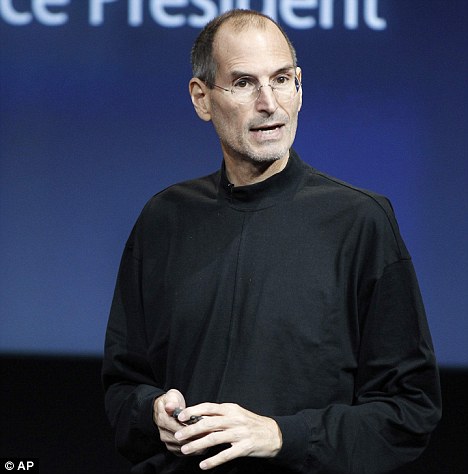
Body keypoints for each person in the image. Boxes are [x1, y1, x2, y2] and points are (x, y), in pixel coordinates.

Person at [102, 9, 441, 474]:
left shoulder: (360, 221)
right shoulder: (164, 219)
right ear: (202, 99)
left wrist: (281, 436)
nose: (269, 104)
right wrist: (152, 412)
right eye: (243, 83)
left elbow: (408, 412)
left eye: (281, 80)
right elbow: (122, 389)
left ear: (299, 86)